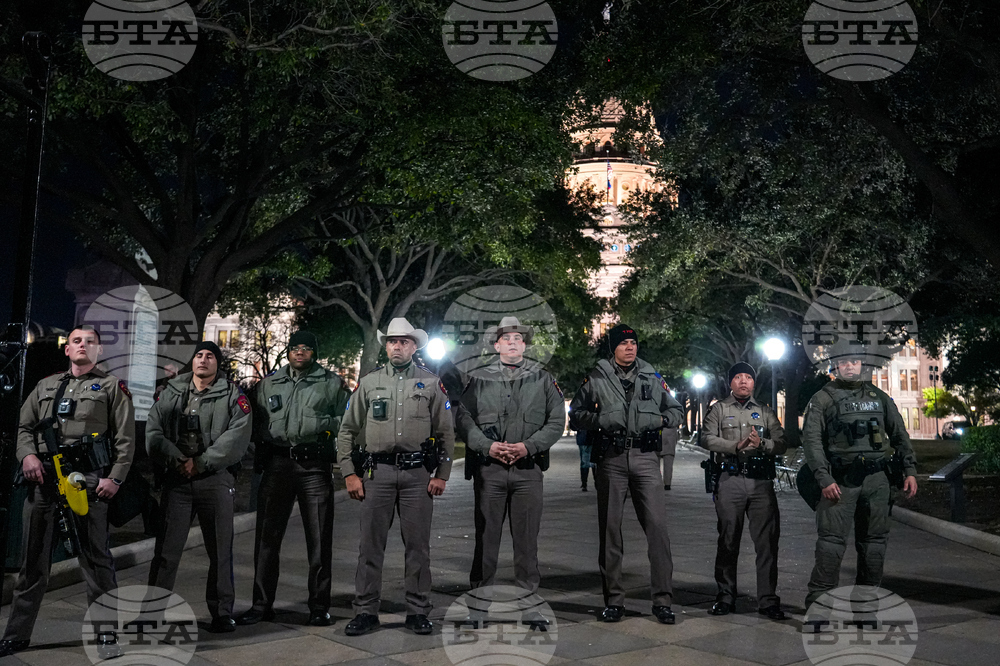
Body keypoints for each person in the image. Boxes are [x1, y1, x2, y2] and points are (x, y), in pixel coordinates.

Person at [0, 327, 135, 659]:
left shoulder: (111, 387)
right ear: (67, 349)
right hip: (43, 480)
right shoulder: (45, 386)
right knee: (32, 563)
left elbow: (126, 439)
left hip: (86, 481)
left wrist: (115, 479)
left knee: (96, 561)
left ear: (99, 350)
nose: (83, 346)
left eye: (90, 342)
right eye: (76, 341)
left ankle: (106, 635)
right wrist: (27, 456)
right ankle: (16, 635)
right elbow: (24, 427)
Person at [337, 318, 455, 637]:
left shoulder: (431, 383)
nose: (397, 346)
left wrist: (442, 474)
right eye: (392, 341)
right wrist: (349, 472)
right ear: (385, 346)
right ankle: (365, 611)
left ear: (414, 346)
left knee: (417, 547)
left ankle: (417, 611)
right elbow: (346, 430)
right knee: (370, 546)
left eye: (404, 341)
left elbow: (446, 432)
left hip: (418, 475)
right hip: (377, 473)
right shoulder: (369, 382)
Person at [568, 324, 683, 624]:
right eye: (624, 343)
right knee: (610, 531)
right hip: (611, 458)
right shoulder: (597, 377)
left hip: (646, 458)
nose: (630, 347)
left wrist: (659, 420)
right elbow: (575, 414)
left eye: (633, 343)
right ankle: (614, 601)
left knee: (658, 529)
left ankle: (662, 601)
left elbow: (676, 411)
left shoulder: (652, 376)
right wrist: (601, 420)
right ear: (613, 348)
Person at [237, 331, 349, 627]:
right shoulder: (269, 383)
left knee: (319, 540)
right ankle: (261, 605)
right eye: (295, 348)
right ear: (288, 351)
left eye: (306, 348)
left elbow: (348, 422)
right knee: (266, 539)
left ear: (314, 353)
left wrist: (322, 424)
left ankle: (319, 607)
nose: (300, 352)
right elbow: (255, 422)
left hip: (314, 466)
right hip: (277, 464)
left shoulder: (332, 383)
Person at [146, 341, 252, 633]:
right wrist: (177, 459)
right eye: (199, 355)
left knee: (220, 550)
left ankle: (222, 613)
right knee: (166, 551)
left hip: (215, 479)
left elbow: (237, 437)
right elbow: (154, 431)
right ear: (192, 361)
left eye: (210, 356)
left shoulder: (232, 395)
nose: (203, 360)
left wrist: (202, 462)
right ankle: (151, 614)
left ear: (218, 363)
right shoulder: (172, 391)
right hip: (177, 478)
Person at [456, 316, 565, 596]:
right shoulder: (479, 379)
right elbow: (464, 418)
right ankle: (480, 596)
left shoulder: (543, 379)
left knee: (527, 541)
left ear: (525, 345)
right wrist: (486, 446)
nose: (513, 342)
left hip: (528, 470)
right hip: (489, 470)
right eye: (506, 338)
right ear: (496, 345)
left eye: (518, 338)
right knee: (485, 538)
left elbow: (556, 421)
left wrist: (529, 446)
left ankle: (528, 596)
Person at [802, 354, 918, 609]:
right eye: (844, 362)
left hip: (877, 481)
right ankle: (819, 607)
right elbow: (811, 442)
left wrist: (909, 469)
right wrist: (824, 478)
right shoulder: (823, 398)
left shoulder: (879, 397)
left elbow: (899, 434)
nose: (850, 366)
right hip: (840, 481)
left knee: (874, 547)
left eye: (854, 361)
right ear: (836, 366)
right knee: (830, 546)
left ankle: (866, 608)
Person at [702, 362, 787, 620]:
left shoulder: (765, 410)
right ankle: (725, 596)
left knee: (767, 542)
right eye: (738, 377)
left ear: (753, 382)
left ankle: (768, 600)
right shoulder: (719, 409)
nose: (743, 381)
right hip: (730, 480)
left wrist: (763, 444)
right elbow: (706, 438)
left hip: (760, 482)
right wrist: (735, 446)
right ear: (730, 382)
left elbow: (782, 442)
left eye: (748, 377)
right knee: (728, 540)